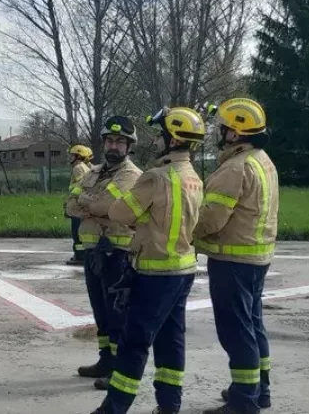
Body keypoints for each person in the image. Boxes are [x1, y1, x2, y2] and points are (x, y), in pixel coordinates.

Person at [87, 106, 206, 414]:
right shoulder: (193, 177)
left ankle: (113, 408)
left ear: (173, 139)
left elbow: (118, 212)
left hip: (155, 272)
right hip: (183, 269)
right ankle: (169, 406)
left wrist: (138, 216)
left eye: (160, 135)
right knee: (171, 340)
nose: (156, 140)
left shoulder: (155, 177)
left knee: (133, 344)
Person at [193, 98, 279, 414]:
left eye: (223, 127)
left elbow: (211, 219)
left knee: (236, 331)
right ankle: (259, 390)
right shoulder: (262, 160)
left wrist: (183, 232)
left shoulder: (235, 167)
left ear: (235, 133)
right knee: (253, 325)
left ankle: (244, 400)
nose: (219, 131)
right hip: (257, 258)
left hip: (232, 261)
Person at [66, 116, 142, 381]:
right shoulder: (94, 172)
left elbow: (108, 206)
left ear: (129, 146)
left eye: (119, 142)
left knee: (117, 314)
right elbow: (70, 205)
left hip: (118, 254)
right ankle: (105, 361)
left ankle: (119, 369)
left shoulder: (131, 175)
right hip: (93, 252)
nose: (113, 146)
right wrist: (93, 204)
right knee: (100, 312)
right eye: (109, 141)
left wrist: (88, 202)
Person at [65, 144, 96, 266]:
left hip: (78, 204)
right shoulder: (86, 167)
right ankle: (84, 254)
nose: (70, 158)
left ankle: (79, 256)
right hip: (85, 204)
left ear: (79, 156)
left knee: (76, 231)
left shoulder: (78, 168)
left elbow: (81, 185)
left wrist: (71, 202)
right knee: (82, 230)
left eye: (72, 155)